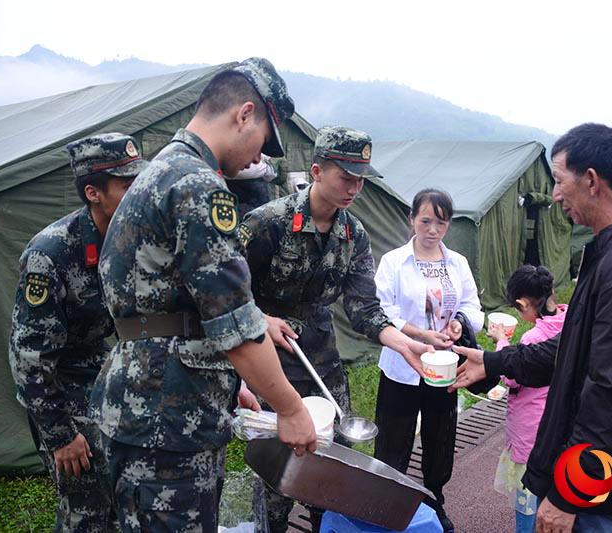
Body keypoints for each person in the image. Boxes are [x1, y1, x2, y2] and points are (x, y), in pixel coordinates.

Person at [88, 58, 318, 532]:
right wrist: (292, 409)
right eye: (263, 142)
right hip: (170, 419)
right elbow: (235, 322)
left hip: (141, 404)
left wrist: (231, 385)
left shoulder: (159, 172)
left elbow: (172, 307)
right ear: (244, 114)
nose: (258, 159)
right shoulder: (198, 185)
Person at [452, 123, 612, 533]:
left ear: (590, 181)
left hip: (597, 490)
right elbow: (574, 347)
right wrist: (494, 361)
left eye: (559, 181)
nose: (555, 195)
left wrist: (570, 495)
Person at [241, 126, 433, 533]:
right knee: (278, 471)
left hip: (321, 360)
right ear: (316, 171)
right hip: (268, 363)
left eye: (361, 180)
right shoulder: (267, 223)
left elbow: (364, 308)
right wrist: (260, 319)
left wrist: (401, 343)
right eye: (346, 177)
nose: (354, 189)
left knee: (332, 468)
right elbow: (225, 296)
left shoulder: (353, 234)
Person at [9, 133, 147, 532]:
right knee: (86, 510)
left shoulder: (129, 238)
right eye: (127, 185)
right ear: (93, 193)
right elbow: (29, 360)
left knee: (123, 498)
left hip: (102, 371)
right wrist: (60, 437)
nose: (139, 193)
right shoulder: (50, 254)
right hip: (59, 386)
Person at [373, 188, 484, 532]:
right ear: (412, 220)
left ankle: (435, 499)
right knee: (394, 437)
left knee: (440, 436)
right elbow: (382, 310)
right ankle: (388, 502)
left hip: (443, 366)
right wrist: (420, 335)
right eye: (425, 221)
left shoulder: (457, 263)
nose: (433, 230)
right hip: (401, 365)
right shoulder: (394, 261)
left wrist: (459, 322)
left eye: (441, 222)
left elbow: (472, 306)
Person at [489, 266, 567, 533]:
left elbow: (512, 377)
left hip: (530, 432)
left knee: (527, 498)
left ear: (522, 304)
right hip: (558, 428)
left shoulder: (532, 337)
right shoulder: (570, 321)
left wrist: (501, 342)